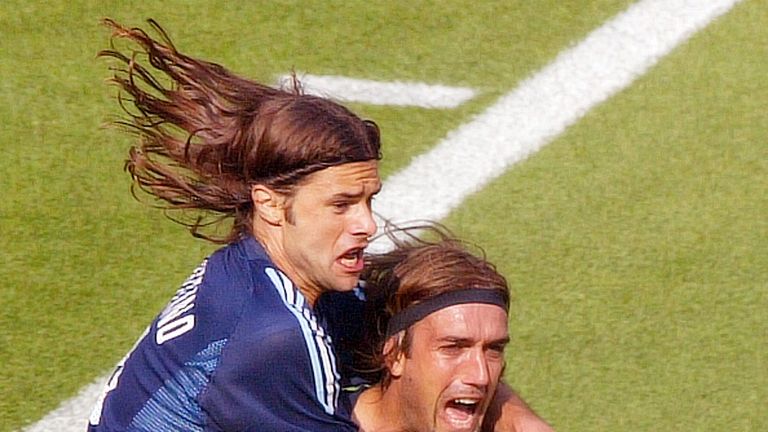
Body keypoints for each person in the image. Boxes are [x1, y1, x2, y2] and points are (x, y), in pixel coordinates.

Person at [89, 18, 381, 431]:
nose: (367, 225)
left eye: (369, 201)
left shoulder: (247, 270)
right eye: (341, 205)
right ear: (271, 204)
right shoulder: (275, 333)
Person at [343, 227, 554, 432]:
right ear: (395, 355)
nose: (481, 376)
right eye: (453, 347)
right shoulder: (320, 420)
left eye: (494, 349)